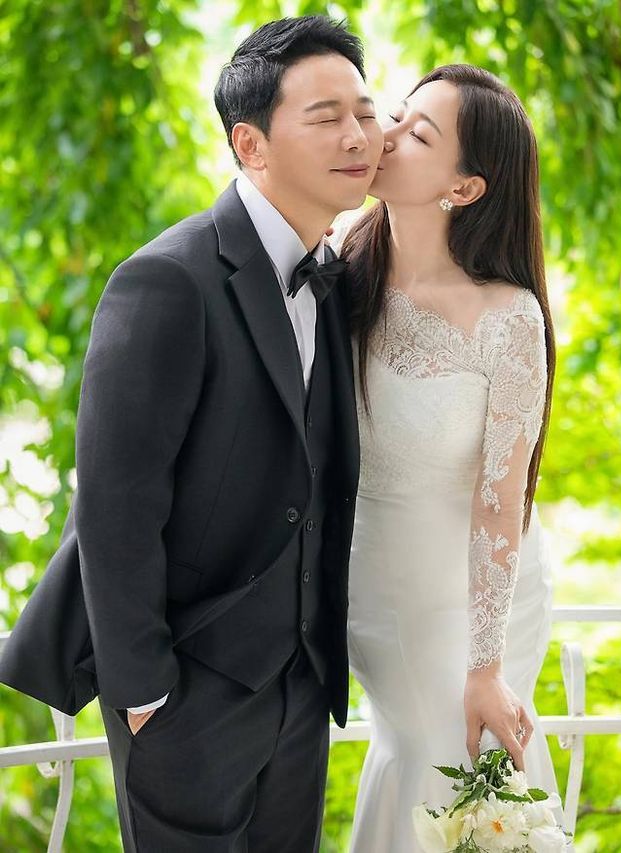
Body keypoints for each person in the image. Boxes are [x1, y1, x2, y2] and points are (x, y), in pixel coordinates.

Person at [0, 16, 383, 852]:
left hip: (300, 689)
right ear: (251, 144)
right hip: (187, 698)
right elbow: (115, 506)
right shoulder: (166, 280)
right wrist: (146, 695)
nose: (359, 136)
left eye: (365, 111)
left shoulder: (335, 280)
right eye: (326, 117)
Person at [339, 64, 560, 852]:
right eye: (398, 114)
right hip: (378, 581)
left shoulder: (509, 317)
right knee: (415, 752)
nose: (386, 134)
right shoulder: (340, 271)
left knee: (463, 768)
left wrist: (485, 665)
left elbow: (501, 499)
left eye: (418, 134)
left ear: (463, 188)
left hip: (482, 596)